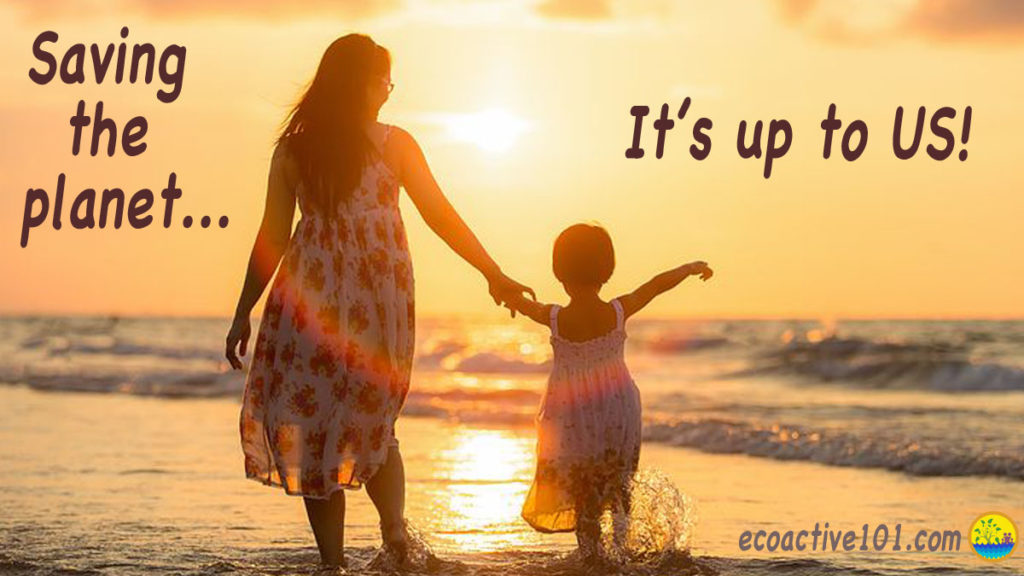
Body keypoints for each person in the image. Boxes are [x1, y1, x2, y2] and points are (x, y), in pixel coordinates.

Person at [224, 34, 532, 568]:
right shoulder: (391, 144)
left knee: (315, 424)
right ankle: (394, 541)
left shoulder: (297, 148)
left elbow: (273, 237)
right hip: (374, 300)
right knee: (372, 420)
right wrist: (492, 273)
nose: (389, 90)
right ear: (361, 83)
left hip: (310, 302)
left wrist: (244, 310)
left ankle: (335, 563)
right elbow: (439, 214)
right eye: (384, 79)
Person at [503, 223, 712, 560]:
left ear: (559, 272)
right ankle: (621, 551)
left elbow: (522, 304)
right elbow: (656, 285)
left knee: (584, 489)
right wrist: (689, 269)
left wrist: (504, 292)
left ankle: (592, 555)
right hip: (618, 408)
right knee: (619, 483)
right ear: (607, 269)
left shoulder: (555, 317)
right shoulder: (617, 311)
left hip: (573, 416)